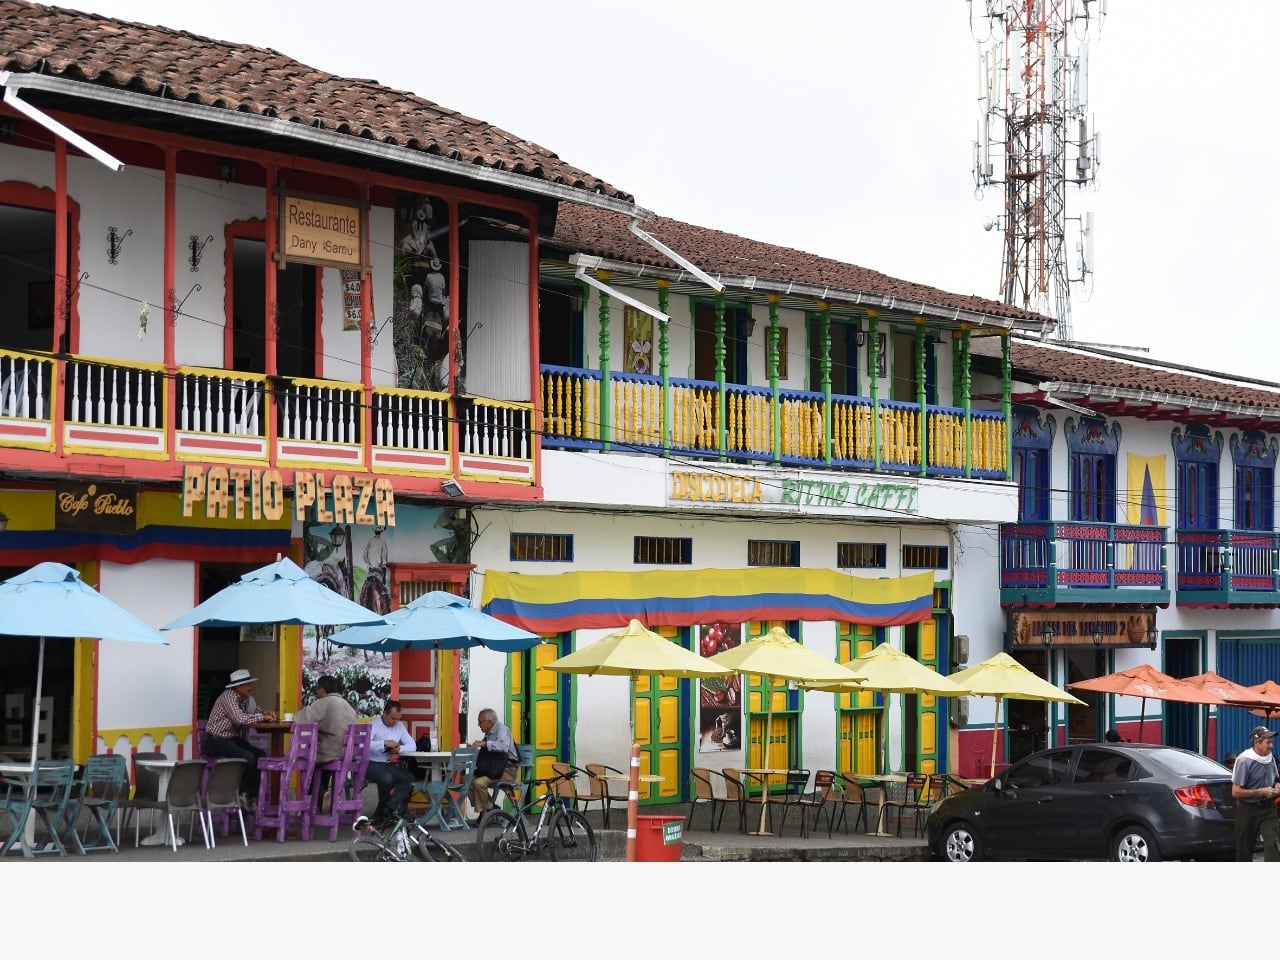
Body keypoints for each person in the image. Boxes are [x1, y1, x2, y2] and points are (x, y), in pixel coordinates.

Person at [203, 668, 275, 801]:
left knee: (260, 755)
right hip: (215, 741)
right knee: (248, 757)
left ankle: (249, 794)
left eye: (250, 684)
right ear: (237, 687)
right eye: (246, 684)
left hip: (231, 740)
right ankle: (242, 793)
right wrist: (262, 717)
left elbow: (258, 711)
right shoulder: (229, 696)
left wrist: (268, 714)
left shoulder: (245, 699)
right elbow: (240, 719)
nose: (250, 687)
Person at [294, 675, 357, 807]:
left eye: (318, 689)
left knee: (305, 760)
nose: (317, 692)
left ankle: (321, 793)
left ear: (322, 689)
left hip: (330, 753)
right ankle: (322, 798)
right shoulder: (347, 705)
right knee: (320, 762)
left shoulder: (324, 702)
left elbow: (301, 719)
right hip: (348, 754)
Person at [1231, 726, 1280, 862]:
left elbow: (1275, 779)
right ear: (1257, 743)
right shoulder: (1244, 761)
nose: (1271, 745)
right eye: (1268, 742)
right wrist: (1261, 791)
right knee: (1244, 850)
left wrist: (1277, 785)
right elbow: (1235, 792)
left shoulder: (1270, 758)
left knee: (1273, 844)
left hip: (1268, 808)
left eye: (1271, 742)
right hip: (1248, 809)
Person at [366, 699, 416, 825]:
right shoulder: (374, 725)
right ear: (385, 714)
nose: (395, 722)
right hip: (369, 763)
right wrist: (383, 743)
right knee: (386, 778)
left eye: (398, 718)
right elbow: (364, 744)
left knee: (408, 778)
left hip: (385, 763)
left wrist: (400, 748)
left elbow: (412, 745)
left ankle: (388, 809)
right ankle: (386, 812)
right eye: (392, 718)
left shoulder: (399, 726)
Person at [467, 707, 519, 824]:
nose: (478, 725)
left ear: (489, 722)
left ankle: (485, 815)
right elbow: (487, 751)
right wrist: (473, 747)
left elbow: (503, 746)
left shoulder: (502, 729)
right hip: (493, 768)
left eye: (480, 722)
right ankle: (490, 808)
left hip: (506, 770)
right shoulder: (488, 733)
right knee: (466, 779)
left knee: (479, 783)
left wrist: (484, 743)